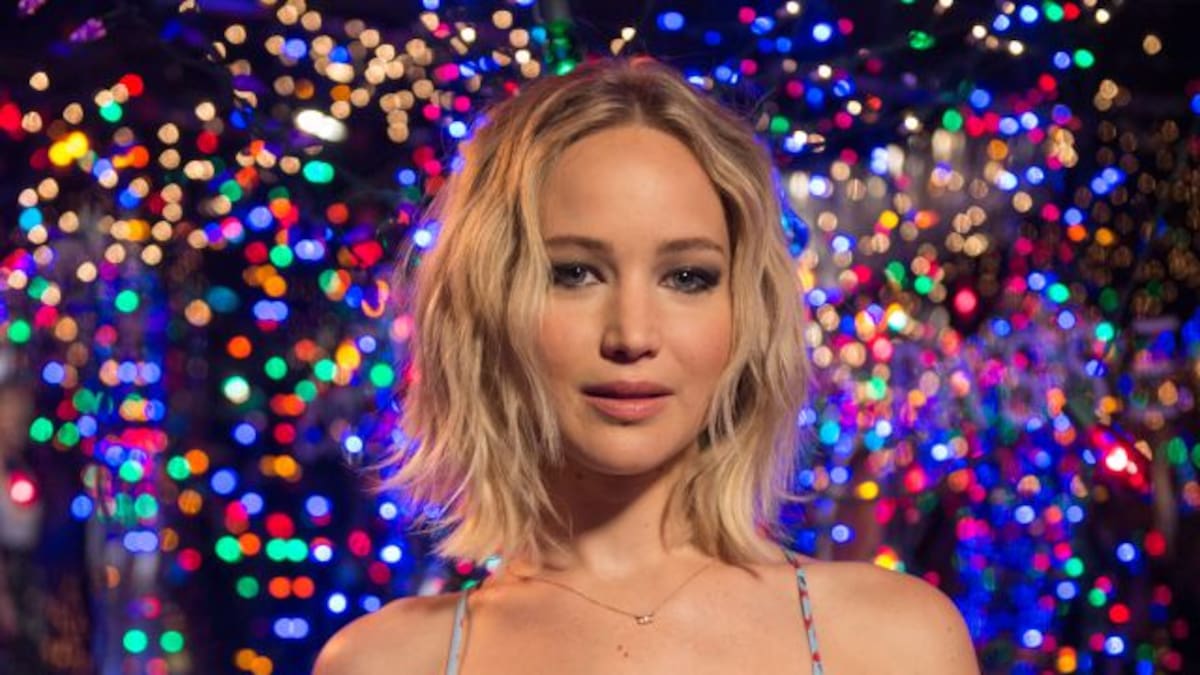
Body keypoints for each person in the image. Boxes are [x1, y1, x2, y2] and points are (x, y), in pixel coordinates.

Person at [315, 56, 978, 674]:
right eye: (574, 273)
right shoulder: (389, 661)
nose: (632, 334)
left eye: (687, 277)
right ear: (488, 303)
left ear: (746, 314)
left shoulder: (892, 641)